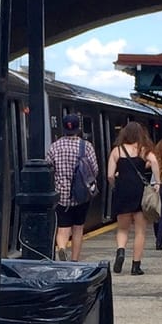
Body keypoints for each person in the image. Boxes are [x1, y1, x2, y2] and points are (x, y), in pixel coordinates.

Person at [47, 111, 99, 261]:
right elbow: (94, 170)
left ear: (64, 128)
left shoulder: (54, 147)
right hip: (81, 196)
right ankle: (75, 260)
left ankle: (62, 248)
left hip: (61, 195)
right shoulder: (86, 146)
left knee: (63, 228)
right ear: (78, 128)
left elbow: (49, 169)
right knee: (78, 228)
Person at [106, 120, 154, 275]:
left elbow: (110, 175)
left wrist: (115, 185)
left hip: (122, 191)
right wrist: (158, 182)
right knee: (140, 231)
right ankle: (136, 266)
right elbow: (154, 161)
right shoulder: (143, 150)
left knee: (122, 229)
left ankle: (120, 251)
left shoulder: (116, 151)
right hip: (139, 192)